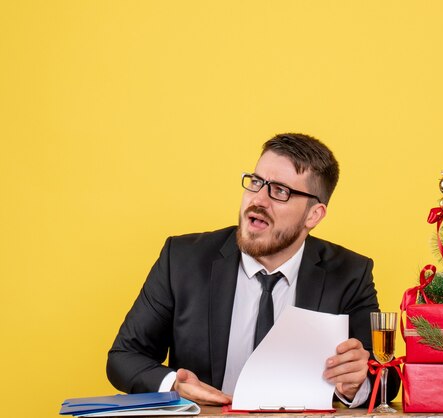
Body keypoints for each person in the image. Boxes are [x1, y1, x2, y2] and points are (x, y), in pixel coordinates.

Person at [107, 133, 400, 407]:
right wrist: (173, 385)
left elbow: (381, 373)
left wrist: (355, 385)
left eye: (280, 191)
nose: (258, 200)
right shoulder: (183, 259)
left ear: (314, 214)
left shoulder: (350, 272)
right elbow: (124, 357)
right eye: (256, 182)